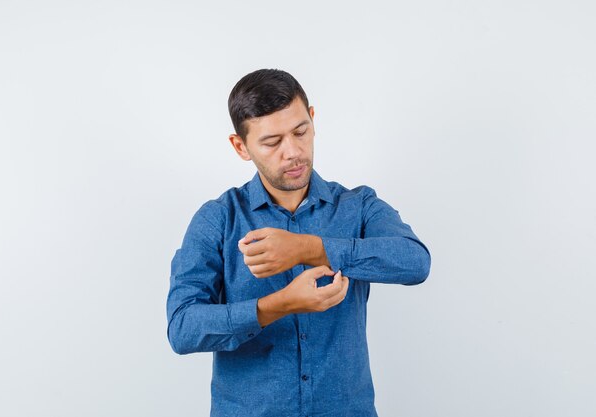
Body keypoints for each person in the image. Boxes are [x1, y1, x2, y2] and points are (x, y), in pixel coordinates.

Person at [166, 68, 431, 417]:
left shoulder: (358, 206)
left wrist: (308, 248)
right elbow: (183, 328)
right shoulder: (218, 219)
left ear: (313, 119)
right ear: (240, 146)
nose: (292, 152)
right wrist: (278, 305)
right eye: (272, 142)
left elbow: (415, 261)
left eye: (300, 131)